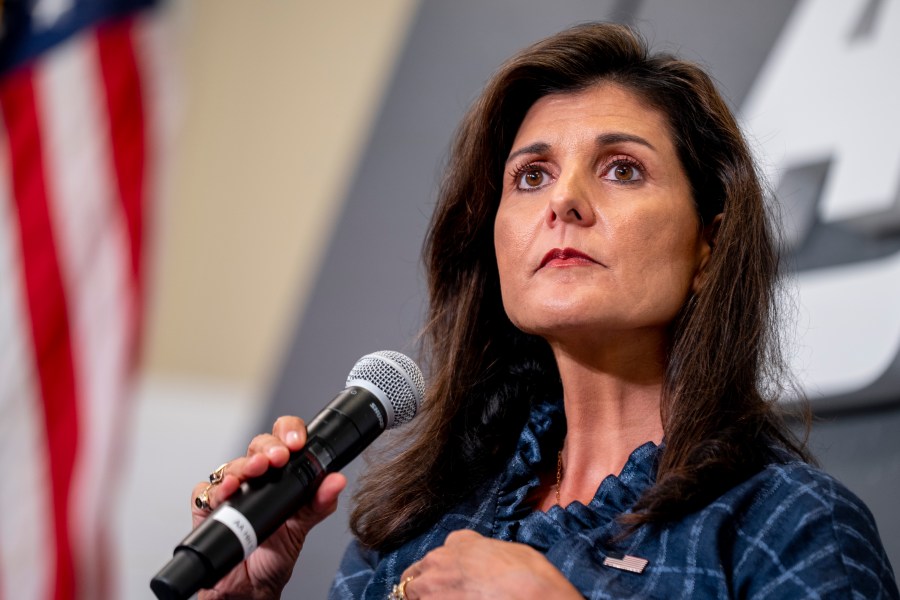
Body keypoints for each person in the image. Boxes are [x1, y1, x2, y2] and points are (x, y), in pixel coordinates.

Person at [189, 22, 898, 599]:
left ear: (709, 242)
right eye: (531, 176)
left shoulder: (794, 527)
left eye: (622, 168)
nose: (563, 201)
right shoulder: (413, 523)